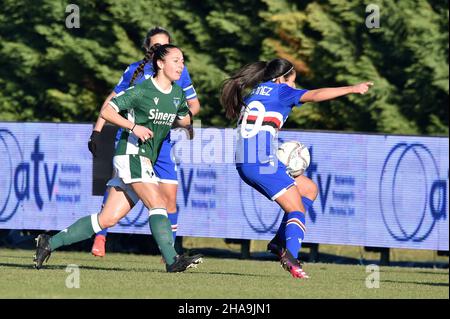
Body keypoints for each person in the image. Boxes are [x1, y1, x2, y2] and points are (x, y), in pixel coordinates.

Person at [34, 44, 203, 272]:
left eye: (183, 61)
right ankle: (173, 260)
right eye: (176, 60)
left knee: (106, 219)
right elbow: (107, 111)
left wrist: (188, 124)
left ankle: (48, 243)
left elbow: (184, 119)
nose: (181, 65)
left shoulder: (176, 94)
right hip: (131, 154)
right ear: (160, 64)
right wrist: (134, 127)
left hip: (145, 158)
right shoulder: (142, 90)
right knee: (158, 203)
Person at [220, 58, 373, 278]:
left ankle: (279, 242)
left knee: (309, 189)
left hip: (248, 160)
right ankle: (290, 257)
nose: (294, 86)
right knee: (297, 209)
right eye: (293, 81)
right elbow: (316, 94)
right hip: (261, 162)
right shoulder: (281, 91)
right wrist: (353, 89)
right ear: (281, 78)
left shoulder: (257, 92)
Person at [88, 27, 201, 257]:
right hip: (132, 141)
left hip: (161, 143)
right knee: (119, 188)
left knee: (169, 198)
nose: (160, 49)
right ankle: (101, 237)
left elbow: (193, 106)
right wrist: (97, 131)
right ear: (150, 50)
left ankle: (169, 252)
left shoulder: (178, 70)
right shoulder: (136, 72)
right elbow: (112, 101)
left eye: (165, 45)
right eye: (155, 46)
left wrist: (182, 121)